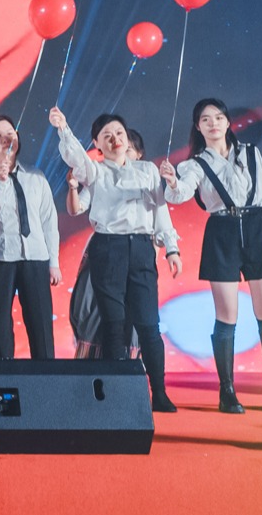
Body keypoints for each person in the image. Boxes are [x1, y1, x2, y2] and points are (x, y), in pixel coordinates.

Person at [165, 98, 262, 414]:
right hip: (221, 233)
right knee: (227, 317)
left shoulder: (250, 153)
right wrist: (172, 181)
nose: (213, 124)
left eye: (218, 117)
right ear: (198, 127)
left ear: (227, 122)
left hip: (256, 229)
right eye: (206, 119)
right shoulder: (194, 164)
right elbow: (180, 194)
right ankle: (227, 391)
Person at [51, 107, 177, 412]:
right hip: (108, 249)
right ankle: (116, 394)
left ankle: (159, 392)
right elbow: (76, 159)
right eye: (106, 135)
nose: (115, 138)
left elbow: (160, 210)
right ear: (97, 144)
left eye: (119, 132)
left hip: (142, 248)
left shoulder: (147, 170)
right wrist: (63, 128)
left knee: (148, 324)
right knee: (114, 323)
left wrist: (171, 248)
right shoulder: (96, 171)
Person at [66, 131, 180, 361]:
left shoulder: (147, 176)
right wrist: (72, 187)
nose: (122, 152)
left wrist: (171, 249)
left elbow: (161, 215)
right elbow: (77, 208)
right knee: (96, 311)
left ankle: (131, 368)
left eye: (128, 149)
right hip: (104, 253)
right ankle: (96, 365)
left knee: (136, 314)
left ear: (139, 154)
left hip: (137, 253)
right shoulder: (100, 175)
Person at [0, 115, 61, 363]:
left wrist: (54, 262)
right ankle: (3, 377)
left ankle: (47, 376)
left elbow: (49, 220)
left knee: (41, 324)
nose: (7, 139)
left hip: (35, 257)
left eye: (11, 134)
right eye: (0, 135)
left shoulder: (35, 175)